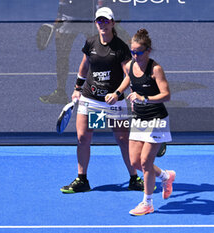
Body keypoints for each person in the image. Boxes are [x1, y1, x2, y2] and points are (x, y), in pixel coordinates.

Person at [60, 7, 143, 193]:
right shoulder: (90, 43)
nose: (103, 24)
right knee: (83, 137)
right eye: (100, 21)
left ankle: (134, 178)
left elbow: (129, 75)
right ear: (96, 23)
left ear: (113, 23)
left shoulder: (120, 48)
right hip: (91, 100)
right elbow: (84, 68)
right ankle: (82, 180)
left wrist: (120, 94)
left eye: (106, 21)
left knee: (122, 139)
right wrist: (76, 89)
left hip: (113, 103)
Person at [105, 29, 175, 215]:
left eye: (139, 52)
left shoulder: (155, 69)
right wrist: (117, 93)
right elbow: (128, 78)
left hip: (157, 119)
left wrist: (144, 98)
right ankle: (165, 176)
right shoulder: (130, 65)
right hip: (139, 119)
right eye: (132, 52)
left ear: (148, 51)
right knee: (135, 162)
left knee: (145, 162)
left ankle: (147, 203)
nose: (135, 55)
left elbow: (166, 95)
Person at [39, 0, 131, 104]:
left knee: (103, 51)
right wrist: (60, 17)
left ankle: (111, 89)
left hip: (89, 17)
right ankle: (61, 92)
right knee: (62, 55)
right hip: (70, 16)